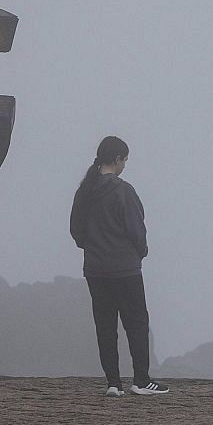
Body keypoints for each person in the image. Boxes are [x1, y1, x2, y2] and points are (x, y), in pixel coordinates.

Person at [69, 135, 169, 397]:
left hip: (95, 269)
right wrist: (140, 252)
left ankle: (113, 383)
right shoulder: (123, 191)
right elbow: (136, 229)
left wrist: (92, 247)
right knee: (136, 323)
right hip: (125, 269)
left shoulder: (85, 191)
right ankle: (141, 380)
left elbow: (76, 230)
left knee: (105, 326)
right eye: (125, 160)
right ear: (117, 159)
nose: (125, 165)